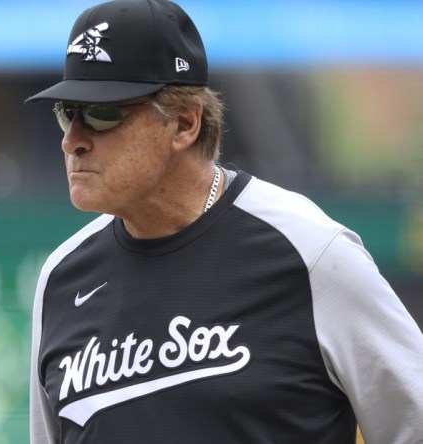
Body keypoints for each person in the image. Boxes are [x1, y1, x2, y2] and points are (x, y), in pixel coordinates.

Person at [23, 0, 423, 443]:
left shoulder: (310, 253)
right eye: (67, 112)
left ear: (184, 123)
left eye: (102, 113)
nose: (72, 141)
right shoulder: (61, 279)